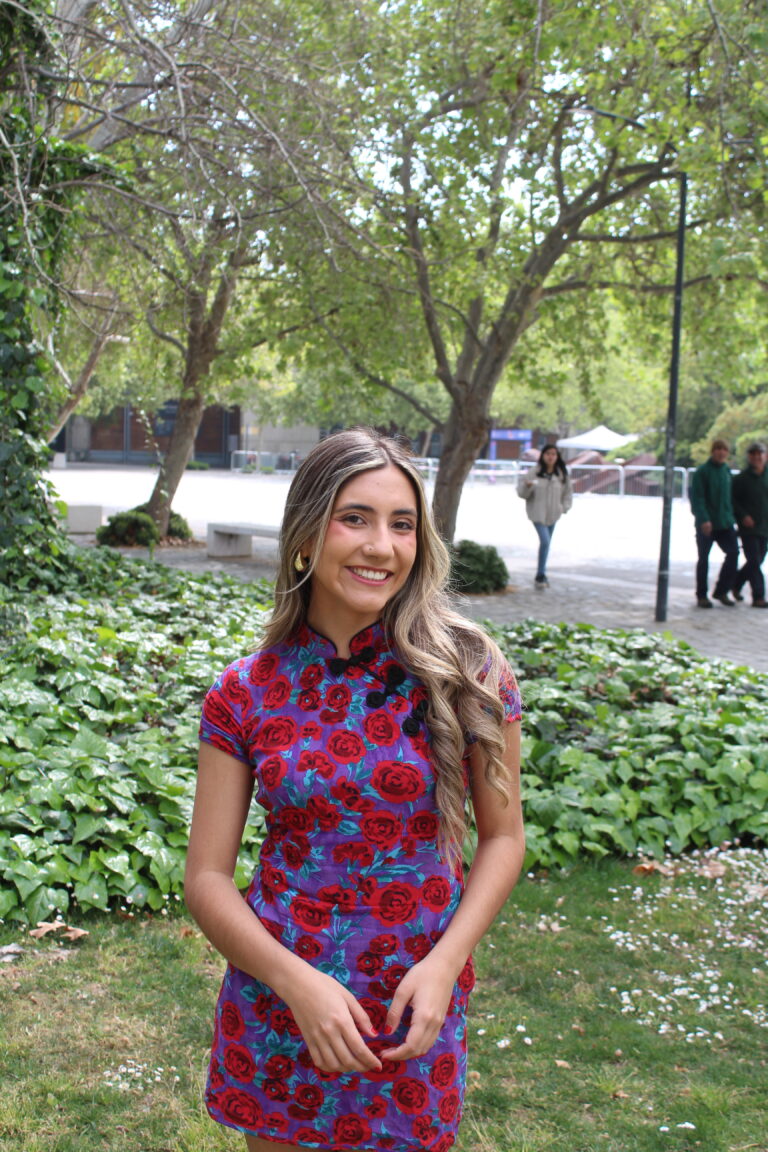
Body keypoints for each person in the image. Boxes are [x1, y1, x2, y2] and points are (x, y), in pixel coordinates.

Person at [185, 428, 525, 1152]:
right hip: (281, 1006)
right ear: (306, 535)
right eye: (355, 518)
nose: (381, 546)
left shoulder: (469, 672)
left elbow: (503, 838)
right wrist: (294, 984)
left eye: (402, 524)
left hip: (413, 1009)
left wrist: (446, 965)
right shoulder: (245, 691)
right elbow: (207, 878)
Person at [690, 438, 740, 608]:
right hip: (707, 524)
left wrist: (733, 518)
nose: (721, 452)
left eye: (724, 449)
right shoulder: (702, 472)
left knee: (733, 553)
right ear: (713, 451)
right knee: (704, 559)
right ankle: (701, 595)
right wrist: (703, 519)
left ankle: (722, 590)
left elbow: (730, 498)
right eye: (718, 449)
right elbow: (697, 498)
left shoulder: (727, 472)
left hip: (725, 523)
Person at [516, 443, 573, 587]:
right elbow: (522, 493)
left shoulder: (561, 474)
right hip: (537, 514)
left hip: (554, 515)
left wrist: (563, 508)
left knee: (546, 544)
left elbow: (567, 493)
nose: (550, 457)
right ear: (543, 455)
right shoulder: (534, 472)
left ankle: (541, 573)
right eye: (548, 454)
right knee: (545, 541)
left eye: (553, 454)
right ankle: (541, 574)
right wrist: (527, 486)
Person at [732, 441, 768, 608]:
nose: (757, 457)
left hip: (764, 527)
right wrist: (743, 515)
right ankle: (758, 596)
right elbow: (733, 500)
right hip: (748, 528)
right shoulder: (741, 479)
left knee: (759, 559)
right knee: (753, 560)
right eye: (753, 454)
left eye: (759, 454)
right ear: (749, 457)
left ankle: (736, 582)